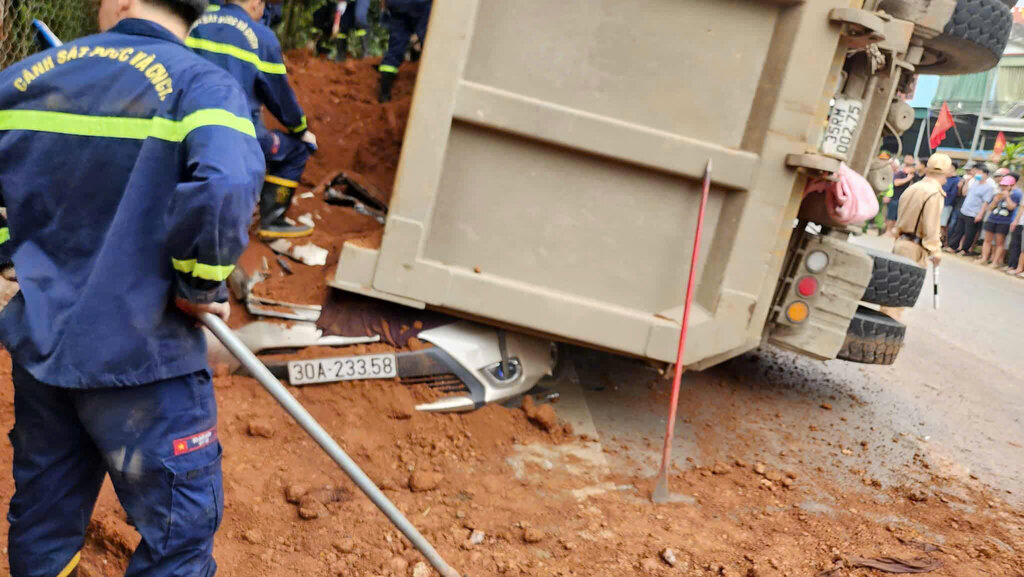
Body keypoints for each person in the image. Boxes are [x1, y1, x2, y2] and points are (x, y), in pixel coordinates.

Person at [0, 0, 265, 572]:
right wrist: (200, 282)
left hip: (43, 350)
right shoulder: (202, 85)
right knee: (178, 539)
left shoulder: (24, 79)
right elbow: (228, 182)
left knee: (43, 522)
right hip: (144, 364)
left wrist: (12, 247)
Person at [189, 0, 319, 238]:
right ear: (256, 3)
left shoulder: (195, 20)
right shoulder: (261, 36)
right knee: (297, 150)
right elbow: (279, 97)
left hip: (183, 124)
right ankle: (273, 219)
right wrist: (301, 129)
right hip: (236, 134)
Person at [880, 153, 951, 320]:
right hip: (915, 247)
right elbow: (931, 225)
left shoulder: (913, 187)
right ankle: (886, 338)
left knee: (890, 291)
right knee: (899, 296)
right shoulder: (934, 193)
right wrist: (935, 250)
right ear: (946, 172)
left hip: (901, 242)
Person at [377, 0, 432, 103]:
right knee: (429, 40)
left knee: (395, 47)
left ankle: (384, 95)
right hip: (421, 5)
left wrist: (384, 7)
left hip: (398, 4)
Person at [947, 164, 995, 255]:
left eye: (979, 173)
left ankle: (964, 250)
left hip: (974, 213)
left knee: (969, 233)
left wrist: (980, 214)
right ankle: (953, 247)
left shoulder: (989, 187)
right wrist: (966, 182)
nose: (977, 174)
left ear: (986, 174)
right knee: (958, 230)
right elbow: (964, 193)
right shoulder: (974, 182)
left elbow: (985, 202)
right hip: (964, 210)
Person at [978, 175, 1022, 267]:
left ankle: (995, 262)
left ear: (1011, 185)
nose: (1003, 187)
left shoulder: (1016, 194)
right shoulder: (997, 193)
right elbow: (990, 208)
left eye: (1006, 185)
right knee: (987, 240)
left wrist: (1006, 197)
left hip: (1004, 221)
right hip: (992, 219)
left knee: (999, 243)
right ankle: (984, 258)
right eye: (1002, 185)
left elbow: (1011, 207)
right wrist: (996, 200)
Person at [885, 155, 918, 233]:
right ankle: (887, 231)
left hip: (906, 200)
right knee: (891, 216)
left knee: (899, 217)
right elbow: (896, 183)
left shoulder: (914, 176)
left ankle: (894, 232)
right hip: (895, 198)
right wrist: (907, 179)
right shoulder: (900, 173)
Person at [940, 161, 961, 241]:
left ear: (953, 169)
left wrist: (946, 203)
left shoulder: (956, 180)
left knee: (943, 224)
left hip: (947, 205)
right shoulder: (945, 178)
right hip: (940, 203)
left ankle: (941, 240)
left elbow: (953, 194)